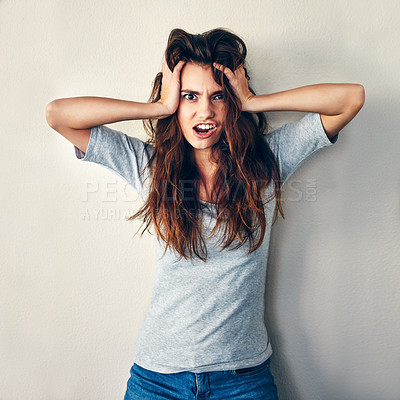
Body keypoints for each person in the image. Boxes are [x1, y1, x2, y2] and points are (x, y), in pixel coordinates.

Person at [46, 28, 364, 400]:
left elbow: (350, 98)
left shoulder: (267, 162)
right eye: (189, 97)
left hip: (242, 380)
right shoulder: (150, 167)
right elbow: (59, 115)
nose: (205, 111)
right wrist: (158, 107)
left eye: (218, 96)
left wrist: (251, 101)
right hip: (157, 380)